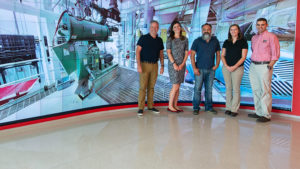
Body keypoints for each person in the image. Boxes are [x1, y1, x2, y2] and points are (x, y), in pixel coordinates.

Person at [248, 18, 280, 122]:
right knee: (256, 89)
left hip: (265, 66)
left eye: (262, 25)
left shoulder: (271, 37)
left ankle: (266, 115)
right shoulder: (254, 38)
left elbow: (275, 53)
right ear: (256, 26)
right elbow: (253, 51)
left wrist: (270, 65)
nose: (260, 26)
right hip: (253, 66)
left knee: (265, 91)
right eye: (258, 25)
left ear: (266, 25)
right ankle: (259, 112)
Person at [190, 23, 221, 115]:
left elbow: (218, 54)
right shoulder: (197, 41)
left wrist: (217, 65)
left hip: (211, 70)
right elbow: (192, 55)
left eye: (208, 29)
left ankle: (209, 108)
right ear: (202, 30)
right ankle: (196, 108)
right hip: (199, 69)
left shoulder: (215, 41)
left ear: (211, 30)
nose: (206, 31)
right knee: (197, 89)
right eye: (204, 29)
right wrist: (194, 68)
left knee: (209, 89)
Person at [136, 20, 164, 116]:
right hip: (144, 65)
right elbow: (138, 52)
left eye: (156, 27)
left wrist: (162, 66)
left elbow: (161, 54)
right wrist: (139, 65)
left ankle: (150, 106)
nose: (154, 29)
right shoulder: (143, 38)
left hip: (155, 65)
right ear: (149, 28)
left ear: (158, 28)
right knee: (143, 87)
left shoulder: (159, 40)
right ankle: (140, 108)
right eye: (152, 27)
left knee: (151, 87)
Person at [221, 24, 248, 117]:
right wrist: (226, 66)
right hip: (226, 68)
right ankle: (228, 107)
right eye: (231, 30)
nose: (233, 31)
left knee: (236, 89)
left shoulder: (243, 42)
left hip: (238, 68)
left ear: (238, 31)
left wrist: (234, 67)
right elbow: (222, 55)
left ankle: (234, 109)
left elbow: (243, 57)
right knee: (228, 88)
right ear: (229, 31)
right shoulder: (226, 42)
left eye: (235, 29)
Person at [166, 21, 189, 113]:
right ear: (172, 29)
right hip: (173, 65)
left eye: (178, 26)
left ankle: (175, 105)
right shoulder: (169, 39)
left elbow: (186, 52)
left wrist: (183, 63)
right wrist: (174, 64)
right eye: (175, 27)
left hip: (182, 65)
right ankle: (170, 106)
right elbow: (168, 52)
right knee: (175, 85)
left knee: (178, 85)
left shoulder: (185, 39)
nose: (177, 28)